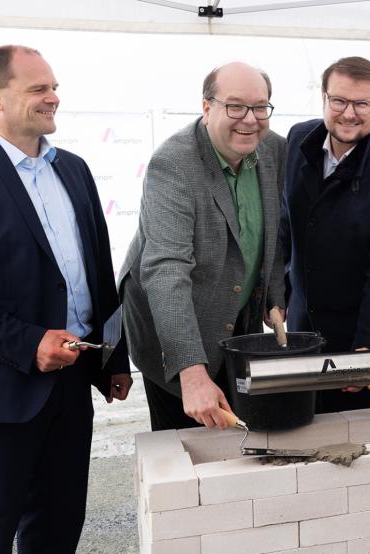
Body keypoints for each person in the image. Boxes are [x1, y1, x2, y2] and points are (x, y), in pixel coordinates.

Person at [0, 45, 132, 552]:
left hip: (72, 388)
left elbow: (97, 275)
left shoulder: (74, 169)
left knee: (57, 532)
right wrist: (29, 343)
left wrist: (112, 360)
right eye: (39, 89)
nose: (53, 98)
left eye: (54, 87)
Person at [119, 62, 286, 431]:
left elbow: (271, 230)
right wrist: (191, 374)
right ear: (206, 107)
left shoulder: (273, 149)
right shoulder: (173, 164)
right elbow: (165, 269)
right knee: (189, 449)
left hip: (236, 315)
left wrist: (274, 296)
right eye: (235, 106)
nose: (250, 119)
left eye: (260, 107)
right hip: (173, 330)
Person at [283, 56, 370, 413]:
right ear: (324, 98)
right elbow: (285, 226)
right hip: (300, 332)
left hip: (357, 342)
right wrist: (277, 294)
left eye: (362, 103)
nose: (349, 113)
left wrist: (369, 350)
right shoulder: (298, 139)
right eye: (339, 101)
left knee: (346, 449)